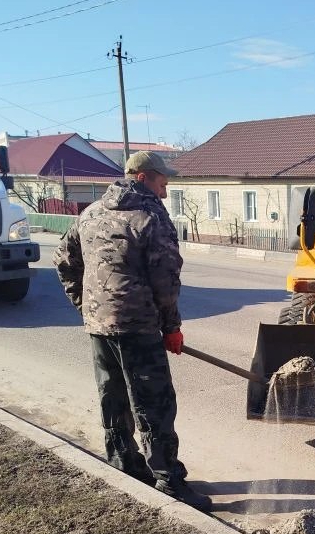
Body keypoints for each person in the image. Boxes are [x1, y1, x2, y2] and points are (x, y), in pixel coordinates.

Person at [54, 150, 212, 513]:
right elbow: (166, 281)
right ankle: (168, 479)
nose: (165, 188)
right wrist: (171, 327)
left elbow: (63, 260)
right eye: (161, 180)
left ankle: (125, 463)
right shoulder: (150, 216)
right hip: (138, 328)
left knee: (113, 396)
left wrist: (87, 306)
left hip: (99, 328)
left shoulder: (91, 213)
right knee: (153, 403)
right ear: (142, 177)